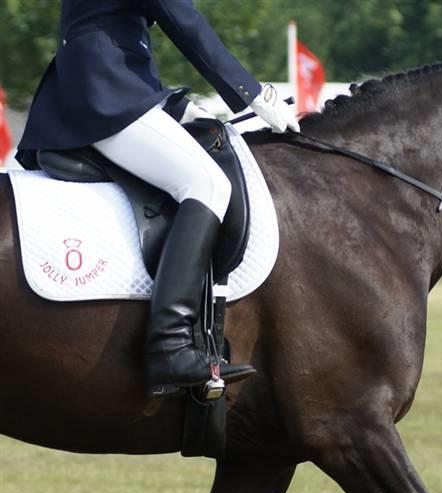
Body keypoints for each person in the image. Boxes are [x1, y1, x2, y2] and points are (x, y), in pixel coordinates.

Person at [16, 1, 300, 397]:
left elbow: (118, 24)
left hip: (110, 82)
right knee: (207, 185)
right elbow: (182, 19)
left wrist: (172, 104)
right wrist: (252, 93)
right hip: (106, 91)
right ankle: (170, 344)